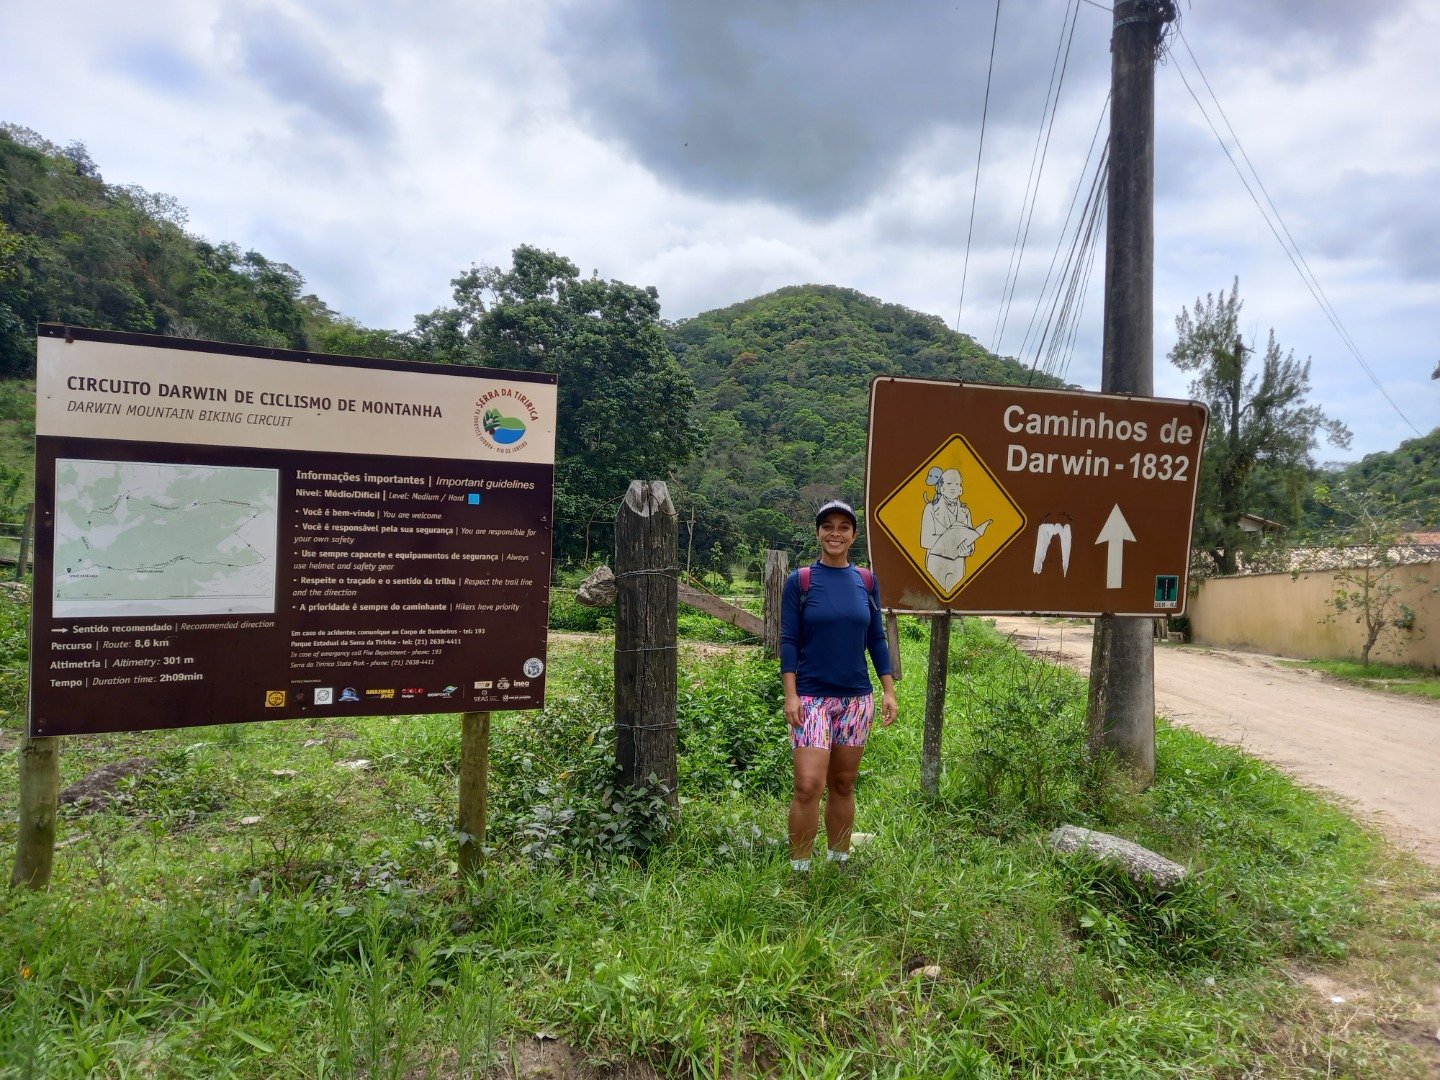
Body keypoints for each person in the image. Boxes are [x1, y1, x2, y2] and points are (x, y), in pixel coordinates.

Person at [781, 500, 897, 874]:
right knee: (808, 785)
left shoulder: (866, 581)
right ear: (818, 533)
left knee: (844, 783)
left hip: (856, 700)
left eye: (843, 527)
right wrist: (791, 695)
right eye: (828, 526)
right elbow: (788, 640)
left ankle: (839, 862)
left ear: (853, 536)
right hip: (811, 698)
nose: (835, 533)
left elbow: (876, 638)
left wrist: (888, 690)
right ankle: (800, 868)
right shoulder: (801, 581)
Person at [920, 467, 991, 591]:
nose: (953, 487)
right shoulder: (930, 508)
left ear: (960, 489)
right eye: (949, 483)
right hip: (936, 564)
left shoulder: (965, 512)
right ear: (941, 488)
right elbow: (925, 541)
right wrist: (951, 541)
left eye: (956, 484)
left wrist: (968, 550)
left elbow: (971, 540)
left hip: (958, 566)